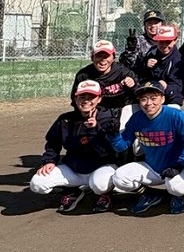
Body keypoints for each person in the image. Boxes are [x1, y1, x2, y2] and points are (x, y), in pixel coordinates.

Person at [29, 80, 119, 212]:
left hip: (102, 167)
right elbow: (53, 143)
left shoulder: (109, 119)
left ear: (99, 99)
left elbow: (106, 152)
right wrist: (49, 160)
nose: (86, 101)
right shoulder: (65, 119)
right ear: (76, 99)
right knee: (37, 183)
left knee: (100, 185)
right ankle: (72, 191)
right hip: (74, 168)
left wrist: (94, 129)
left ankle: (105, 194)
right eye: (82, 97)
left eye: (91, 97)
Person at [110, 81, 184, 215]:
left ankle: (177, 196)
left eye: (153, 98)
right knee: (119, 178)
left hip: (181, 165)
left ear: (162, 99)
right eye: (144, 99)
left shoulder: (176, 115)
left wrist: (179, 164)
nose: (148, 103)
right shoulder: (136, 118)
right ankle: (151, 194)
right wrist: (113, 134)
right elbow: (122, 146)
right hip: (153, 167)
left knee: (176, 187)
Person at [72, 39, 139, 118]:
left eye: (106, 56)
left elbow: (139, 93)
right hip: (97, 113)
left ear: (113, 58)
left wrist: (133, 85)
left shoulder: (124, 73)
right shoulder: (84, 75)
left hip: (123, 111)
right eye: (99, 56)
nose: (103, 60)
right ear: (92, 58)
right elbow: (75, 99)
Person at [132, 23, 184, 109]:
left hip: (170, 99)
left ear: (175, 40)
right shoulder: (152, 51)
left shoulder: (177, 60)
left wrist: (166, 87)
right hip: (150, 95)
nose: (164, 45)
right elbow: (138, 72)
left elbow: (177, 88)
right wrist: (145, 65)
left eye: (168, 42)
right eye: (161, 41)